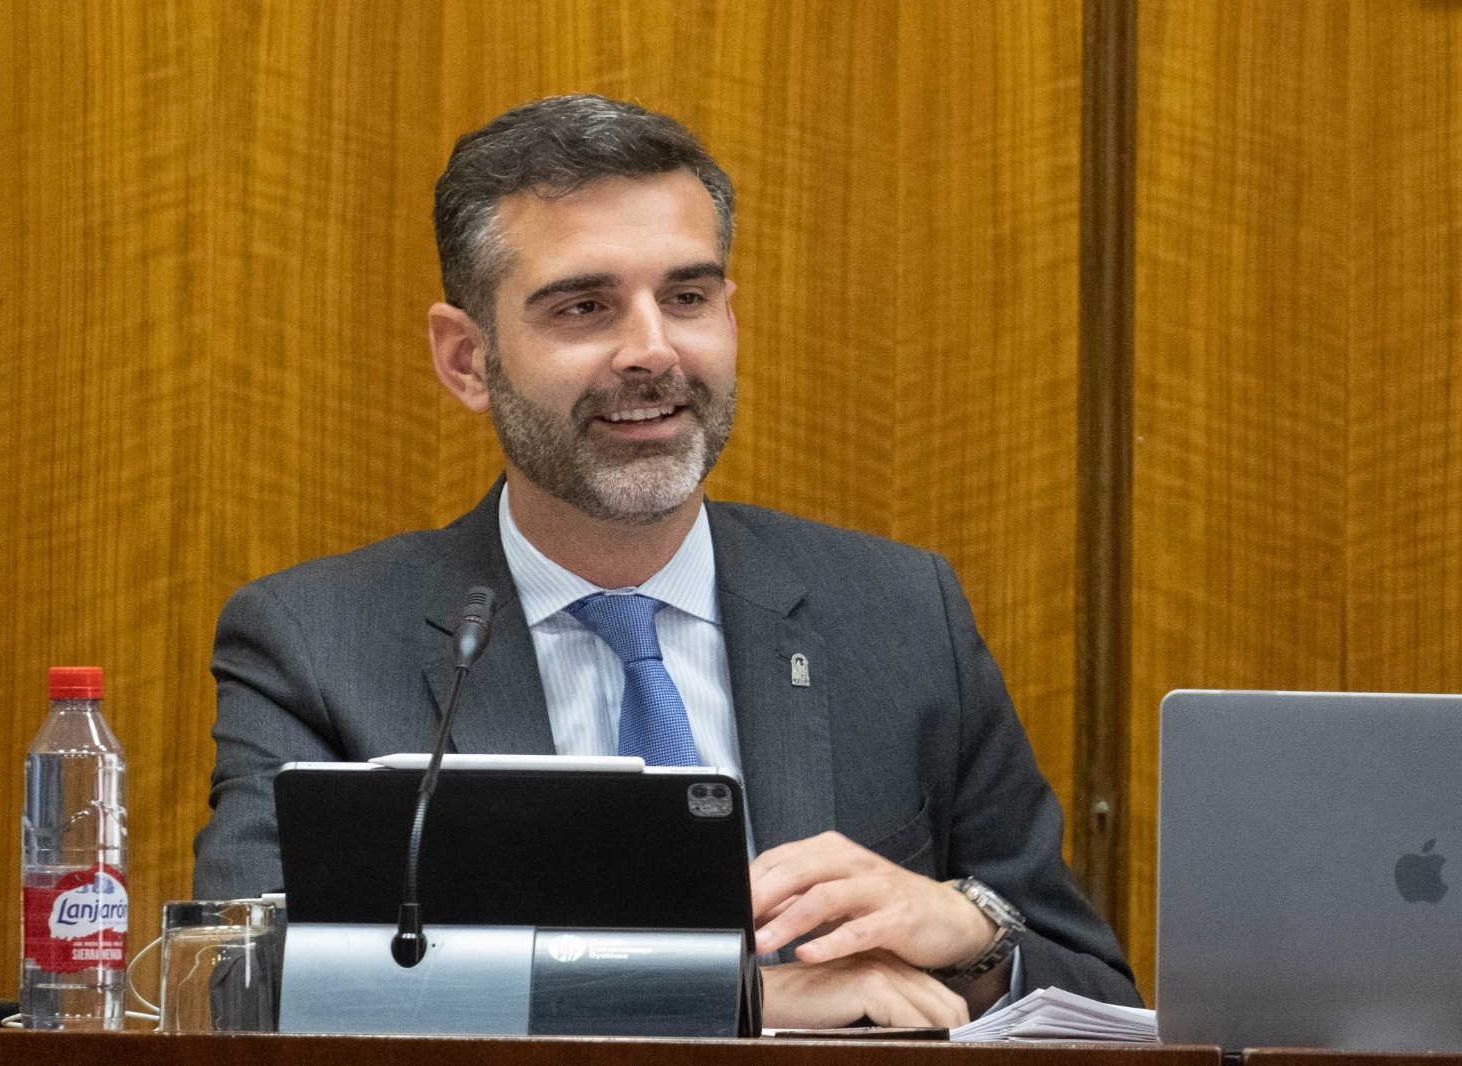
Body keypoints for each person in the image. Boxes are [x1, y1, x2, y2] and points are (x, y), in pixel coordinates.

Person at [193, 93, 1140, 1028]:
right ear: (466, 360)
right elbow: (250, 992)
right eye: (584, 307)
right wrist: (738, 1002)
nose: (651, 351)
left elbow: (1103, 1003)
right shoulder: (318, 645)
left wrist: (972, 939)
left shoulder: (897, 616)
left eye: (686, 298)